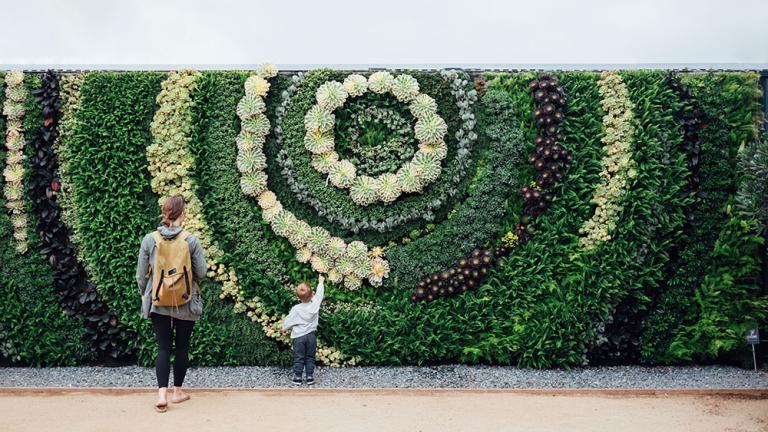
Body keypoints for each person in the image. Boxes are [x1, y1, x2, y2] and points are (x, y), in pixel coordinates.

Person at [136, 195, 206, 412]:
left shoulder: (150, 239)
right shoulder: (190, 240)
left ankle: (161, 395)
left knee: (163, 348)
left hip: (158, 300)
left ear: (164, 213)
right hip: (185, 301)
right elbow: (201, 272)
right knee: (182, 347)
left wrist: (143, 294)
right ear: (182, 214)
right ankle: (177, 392)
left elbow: (141, 275)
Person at [282, 275, 325, 386]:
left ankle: (297, 377)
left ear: (298, 297)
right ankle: (310, 377)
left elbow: (288, 321)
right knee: (310, 357)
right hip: (311, 336)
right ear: (312, 295)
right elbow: (319, 295)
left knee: (299, 357)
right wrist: (320, 282)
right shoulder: (315, 305)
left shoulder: (296, 309)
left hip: (298, 337)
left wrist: (284, 328)